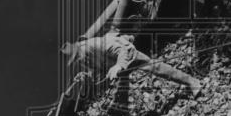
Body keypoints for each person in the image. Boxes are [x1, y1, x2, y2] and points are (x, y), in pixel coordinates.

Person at [60, 31, 201, 98]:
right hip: (113, 63)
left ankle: (192, 81)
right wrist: (86, 77)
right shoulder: (83, 57)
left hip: (126, 52)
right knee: (122, 88)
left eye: (76, 56)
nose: (77, 60)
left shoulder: (96, 44)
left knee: (157, 68)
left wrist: (119, 66)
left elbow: (122, 50)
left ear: (78, 47)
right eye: (74, 59)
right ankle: (122, 107)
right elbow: (97, 73)